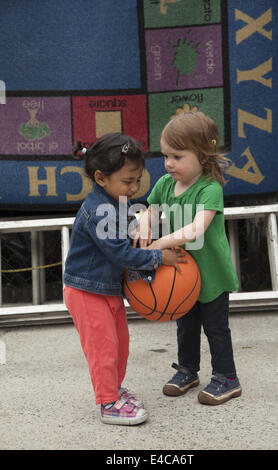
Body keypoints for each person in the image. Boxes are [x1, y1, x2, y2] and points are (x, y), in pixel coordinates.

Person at [63, 133, 185, 425]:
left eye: (137, 181)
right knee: (103, 348)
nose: (134, 188)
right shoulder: (98, 211)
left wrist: (153, 241)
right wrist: (159, 258)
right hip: (86, 291)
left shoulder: (116, 203)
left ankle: (114, 390)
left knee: (120, 345)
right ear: (101, 178)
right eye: (128, 181)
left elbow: (129, 242)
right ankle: (107, 403)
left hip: (107, 289)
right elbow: (121, 254)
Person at [134, 112, 242, 405]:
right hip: (182, 275)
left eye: (177, 156)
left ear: (203, 156)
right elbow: (151, 210)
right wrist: (144, 220)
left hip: (211, 274)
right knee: (186, 325)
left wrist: (159, 244)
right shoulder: (164, 184)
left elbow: (196, 229)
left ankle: (227, 377)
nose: (169, 163)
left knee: (216, 328)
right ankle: (187, 370)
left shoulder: (210, 189)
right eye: (166, 155)